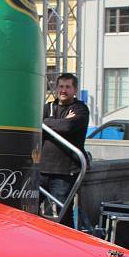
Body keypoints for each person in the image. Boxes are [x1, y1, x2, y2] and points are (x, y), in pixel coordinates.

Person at [40, 73, 90, 228]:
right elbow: (35, 123)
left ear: (75, 90)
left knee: (63, 215)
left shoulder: (80, 108)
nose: (63, 90)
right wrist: (55, 122)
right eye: (61, 86)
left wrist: (47, 123)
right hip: (41, 170)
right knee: (28, 210)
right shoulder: (48, 107)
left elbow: (68, 127)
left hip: (64, 173)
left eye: (68, 87)